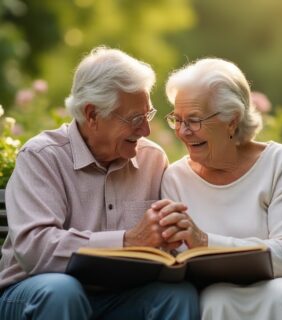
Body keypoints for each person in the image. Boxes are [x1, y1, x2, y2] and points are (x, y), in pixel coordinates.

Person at [0, 46, 199, 320]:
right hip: (33, 292)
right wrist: (127, 241)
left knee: (178, 295)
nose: (146, 131)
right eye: (135, 119)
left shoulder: (153, 159)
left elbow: (164, 249)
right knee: (63, 291)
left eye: (148, 115)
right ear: (92, 115)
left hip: (117, 296)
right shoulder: (41, 157)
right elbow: (35, 249)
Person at [159, 57, 282, 320]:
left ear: (232, 120)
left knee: (277, 297)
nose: (183, 131)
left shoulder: (279, 162)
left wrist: (205, 242)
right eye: (177, 120)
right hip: (218, 289)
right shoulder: (175, 177)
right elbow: (178, 260)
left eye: (194, 120)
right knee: (216, 298)